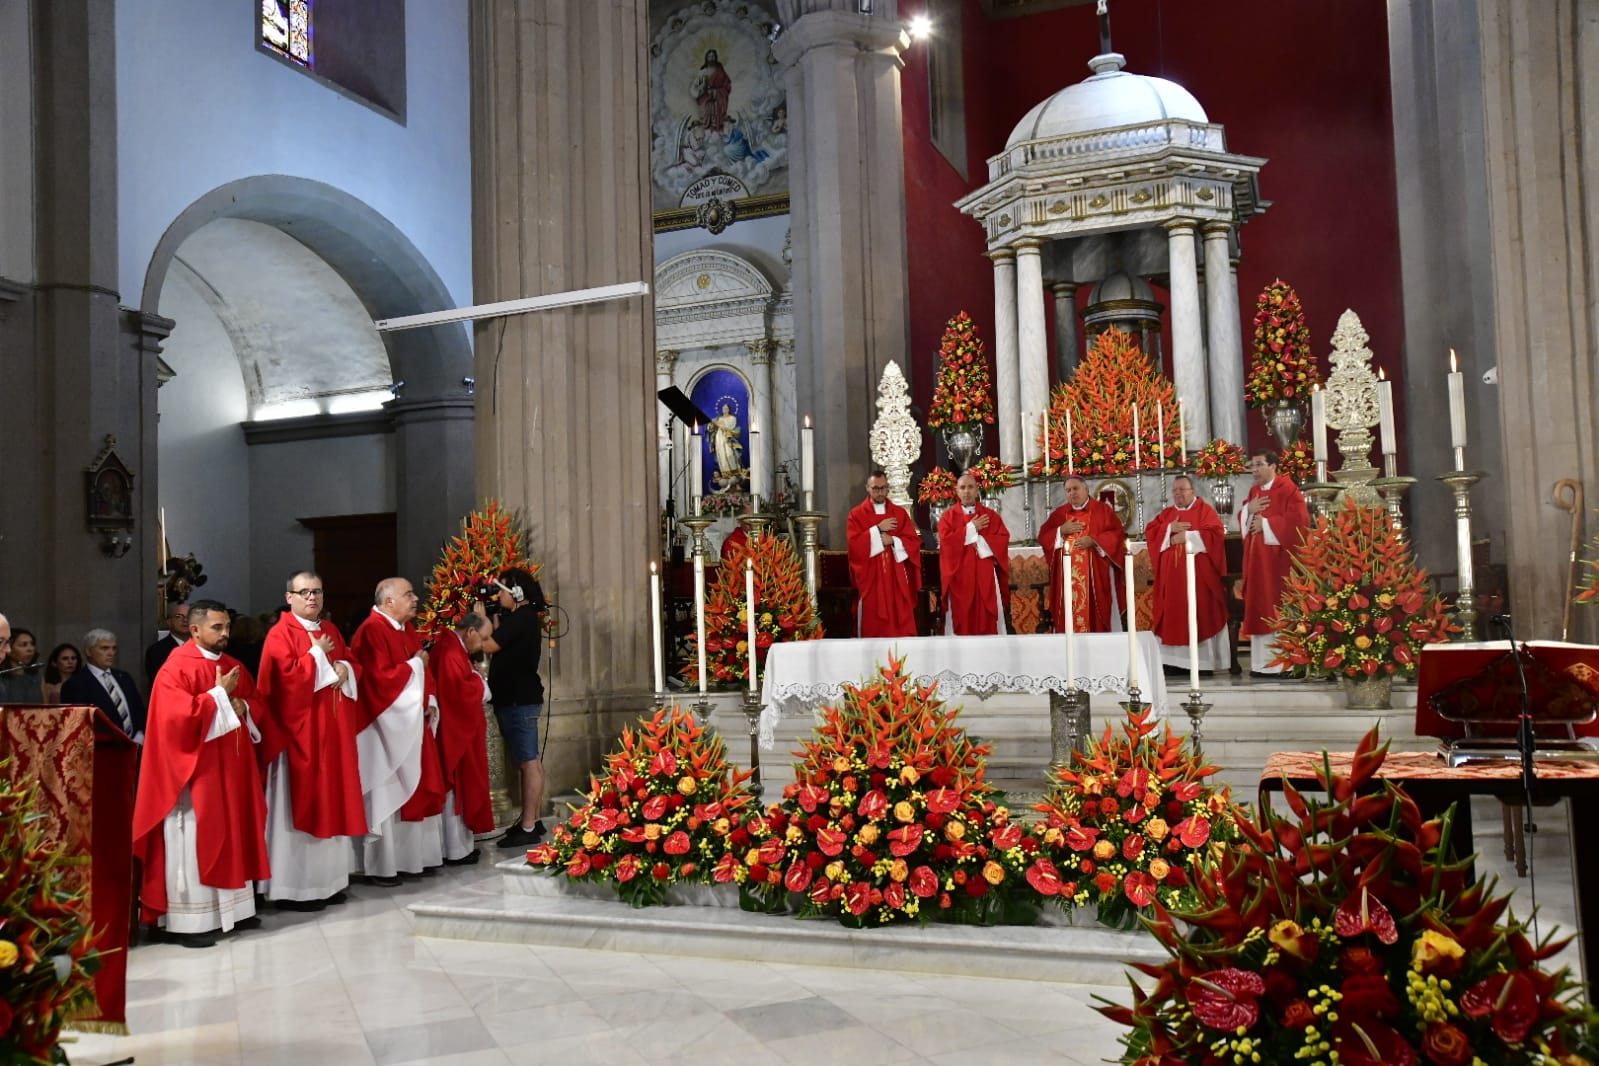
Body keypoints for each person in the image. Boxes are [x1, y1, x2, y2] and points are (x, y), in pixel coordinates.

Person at [131, 600, 270, 947]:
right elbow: (175, 719)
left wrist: (243, 705)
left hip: (232, 771)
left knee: (233, 834)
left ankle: (235, 911)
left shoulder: (234, 665)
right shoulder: (175, 669)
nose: (225, 634)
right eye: (216, 628)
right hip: (194, 777)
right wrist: (220, 696)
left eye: (227, 627)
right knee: (196, 840)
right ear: (194, 630)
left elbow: (257, 702)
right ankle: (190, 921)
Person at [254, 571, 366, 909]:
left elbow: (350, 661)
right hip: (297, 737)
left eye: (316, 591)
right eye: (303, 593)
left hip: (330, 735)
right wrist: (316, 655)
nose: (311, 598)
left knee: (332, 800)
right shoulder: (279, 633)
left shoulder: (330, 629)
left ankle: (330, 882)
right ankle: (295, 888)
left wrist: (346, 668)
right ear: (289, 597)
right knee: (299, 807)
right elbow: (283, 685)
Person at [349, 577, 446, 885]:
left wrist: (429, 698)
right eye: (408, 594)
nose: (416, 598)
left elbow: (424, 670)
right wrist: (416, 667)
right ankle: (384, 865)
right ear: (388, 601)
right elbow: (379, 681)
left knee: (417, 785)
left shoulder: (406, 629)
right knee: (388, 787)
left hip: (412, 722)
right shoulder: (372, 630)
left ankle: (415, 859)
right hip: (383, 728)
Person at [482, 567, 548, 848]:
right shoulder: (520, 618)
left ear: (517, 592)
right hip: (516, 698)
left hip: (519, 700)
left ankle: (529, 825)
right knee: (527, 760)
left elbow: (490, 645)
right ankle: (531, 818)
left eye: (503, 590)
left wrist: (478, 620)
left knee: (528, 761)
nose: (499, 595)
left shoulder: (522, 618)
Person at [1145, 475, 1232, 674]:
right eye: (1175, 490)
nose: (1178, 494)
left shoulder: (1205, 511)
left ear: (1193, 491)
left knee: (1199, 613)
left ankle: (1202, 664)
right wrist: (1168, 530)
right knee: (1173, 616)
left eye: (1182, 489)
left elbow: (1216, 535)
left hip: (1199, 580)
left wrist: (1188, 536)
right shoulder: (1167, 515)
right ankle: (1173, 663)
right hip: (1171, 581)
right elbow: (1151, 532)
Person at [429, 613, 496, 863]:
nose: (483, 644)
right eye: (483, 638)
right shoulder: (449, 652)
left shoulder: (454, 648)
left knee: (460, 791)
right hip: (454, 734)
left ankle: (460, 848)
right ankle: (455, 851)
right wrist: (479, 680)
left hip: (459, 731)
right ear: (470, 631)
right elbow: (459, 693)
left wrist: (474, 676)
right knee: (455, 790)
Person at [1238, 449, 1310, 676]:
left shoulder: (1288, 489)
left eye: (1259, 464)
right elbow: (1244, 520)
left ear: (1273, 466)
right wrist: (1248, 512)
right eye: (1252, 465)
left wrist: (1267, 525)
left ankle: (1284, 664)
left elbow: (1299, 522)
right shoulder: (1254, 491)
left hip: (1280, 566)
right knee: (1260, 608)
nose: (1254, 469)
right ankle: (1261, 665)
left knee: (1279, 608)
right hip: (1257, 564)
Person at [1039, 476, 1127, 634]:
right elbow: (1044, 537)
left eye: (1075, 488)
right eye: (1068, 490)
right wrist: (1060, 531)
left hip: (1096, 578)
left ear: (1086, 489)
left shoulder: (1102, 510)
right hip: (1067, 579)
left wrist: (1095, 540)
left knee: (1096, 617)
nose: (1072, 493)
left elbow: (1118, 534)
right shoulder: (1059, 514)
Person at [847, 469, 922, 637]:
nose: (880, 492)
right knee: (873, 622)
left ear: (888, 488)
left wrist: (894, 541)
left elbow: (913, 542)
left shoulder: (899, 514)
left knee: (900, 621)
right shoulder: (856, 515)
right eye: (876, 488)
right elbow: (854, 546)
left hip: (896, 580)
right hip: (871, 580)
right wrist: (877, 530)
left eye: (883, 488)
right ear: (867, 488)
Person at [937, 472, 1011, 635]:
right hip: (959, 578)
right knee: (961, 617)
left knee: (987, 618)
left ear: (977, 490)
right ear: (957, 491)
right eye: (962, 487)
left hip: (986, 576)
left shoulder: (991, 516)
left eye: (970, 487)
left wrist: (978, 541)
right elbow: (946, 543)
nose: (966, 491)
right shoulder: (948, 517)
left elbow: (1002, 539)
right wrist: (971, 529)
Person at [62, 628, 146, 740]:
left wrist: (140, 735)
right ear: (89, 652)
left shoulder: (124, 677)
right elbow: (78, 725)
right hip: (102, 749)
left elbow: (139, 709)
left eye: (114, 648)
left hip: (136, 745)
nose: (111, 653)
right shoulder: (75, 684)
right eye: (104, 648)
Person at [144, 601, 189, 687]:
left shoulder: (202, 647)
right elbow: (160, 683)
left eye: (189, 617)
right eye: (179, 616)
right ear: (169, 622)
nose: (185, 620)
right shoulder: (156, 650)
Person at [692, 48, 732, 132]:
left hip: (718, 98)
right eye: (709, 56)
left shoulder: (720, 71)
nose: (711, 58)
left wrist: (717, 92)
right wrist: (701, 89)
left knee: (717, 115)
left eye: (713, 56)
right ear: (706, 58)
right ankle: (706, 132)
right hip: (705, 98)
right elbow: (695, 86)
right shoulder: (703, 72)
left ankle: (716, 132)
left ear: (716, 57)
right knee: (706, 111)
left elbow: (727, 85)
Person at [0, 624, 43, 703]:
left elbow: (45, 708)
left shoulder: (37, 678)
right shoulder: (2, 678)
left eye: (32, 644)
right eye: (24, 645)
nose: (30, 649)